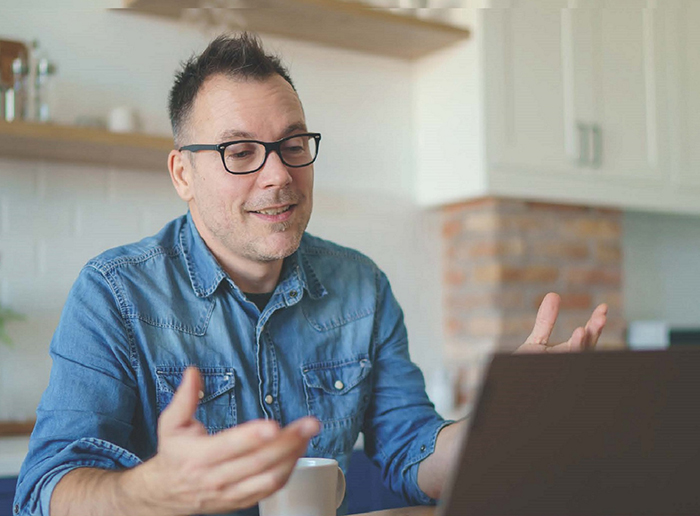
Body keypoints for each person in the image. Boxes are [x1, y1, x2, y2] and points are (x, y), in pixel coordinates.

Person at [14, 33, 607, 516]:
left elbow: (409, 453)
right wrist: (151, 492)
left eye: (293, 143)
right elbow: (44, 493)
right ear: (182, 174)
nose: (278, 174)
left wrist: (504, 420)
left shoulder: (361, 286)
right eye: (240, 152)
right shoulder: (114, 294)